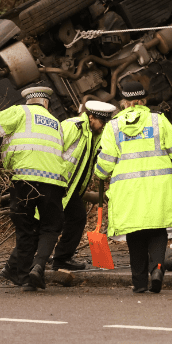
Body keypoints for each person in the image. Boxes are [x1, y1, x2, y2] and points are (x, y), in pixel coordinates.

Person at [94, 80, 172, 294]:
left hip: (127, 192)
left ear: (124, 102)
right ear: (143, 100)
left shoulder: (113, 126)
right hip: (159, 187)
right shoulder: (158, 121)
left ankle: (139, 283)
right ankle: (157, 268)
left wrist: (99, 173)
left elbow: (106, 163)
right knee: (157, 229)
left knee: (135, 235)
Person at [0, 86, 66, 291]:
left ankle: (24, 276)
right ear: (46, 103)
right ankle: (37, 267)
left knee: (26, 227)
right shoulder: (56, 123)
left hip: (24, 179)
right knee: (50, 227)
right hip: (53, 181)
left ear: (29, 101)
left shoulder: (20, 111)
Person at [50, 100, 117, 271]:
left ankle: (61, 259)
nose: (103, 127)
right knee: (51, 222)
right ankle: (32, 260)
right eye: (101, 122)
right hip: (58, 183)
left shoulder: (96, 133)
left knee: (77, 218)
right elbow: (52, 150)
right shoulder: (73, 126)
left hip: (72, 188)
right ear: (91, 116)